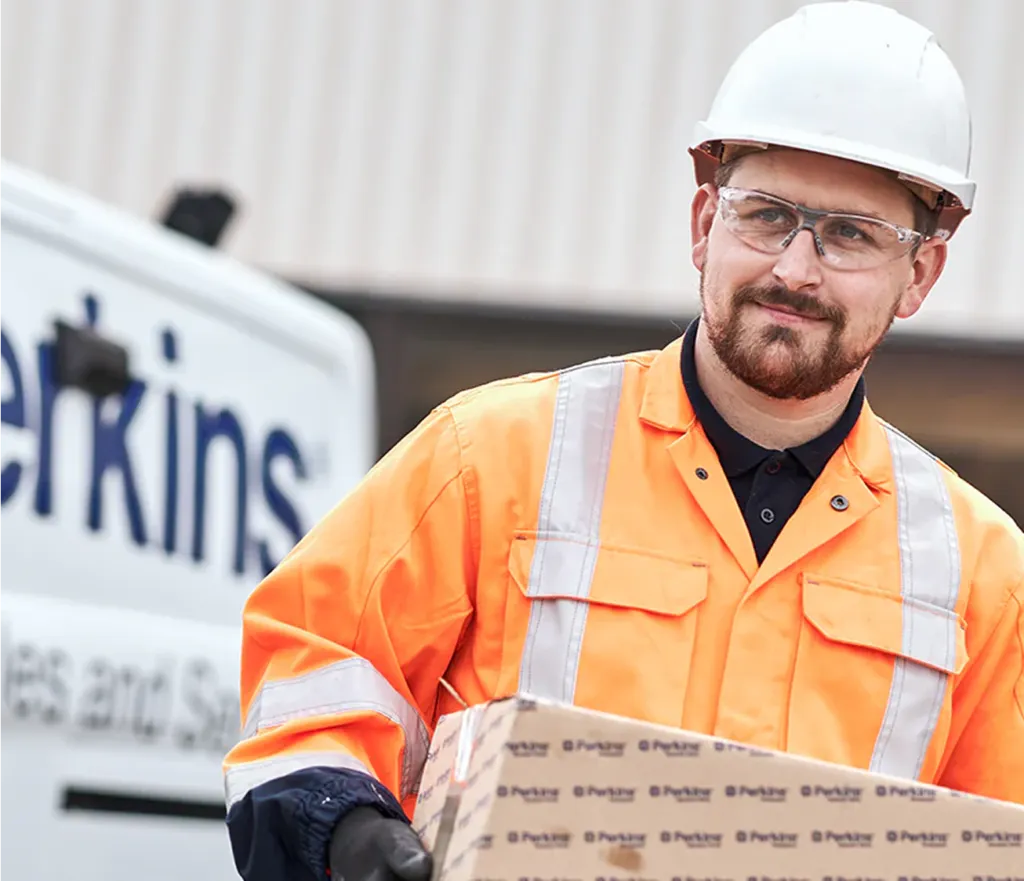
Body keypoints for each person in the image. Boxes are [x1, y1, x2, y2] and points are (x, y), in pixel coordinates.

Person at [223, 2, 1024, 880]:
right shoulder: (489, 457)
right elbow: (311, 680)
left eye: (850, 236)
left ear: (920, 274)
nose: (795, 269)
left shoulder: (982, 574)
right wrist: (344, 831)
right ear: (702, 224)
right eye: (765, 216)